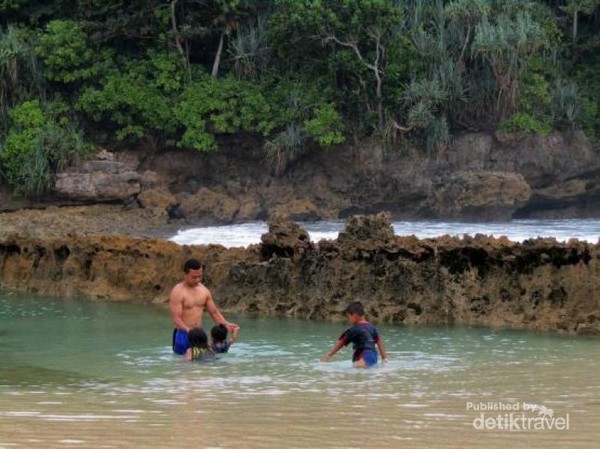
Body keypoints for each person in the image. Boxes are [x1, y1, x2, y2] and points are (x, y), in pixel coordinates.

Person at [170, 258, 239, 355]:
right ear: (185, 274)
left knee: (202, 364)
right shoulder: (178, 292)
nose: (197, 280)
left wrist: (226, 325)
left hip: (199, 335)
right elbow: (176, 318)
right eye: (194, 277)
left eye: (200, 276)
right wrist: (188, 330)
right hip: (183, 334)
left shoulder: (204, 291)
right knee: (183, 365)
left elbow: (214, 313)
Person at [321, 301, 389, 368]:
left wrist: (329, 355)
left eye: (348, 317)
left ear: (354, 316)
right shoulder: (372, 327)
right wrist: (384, 358)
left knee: (357, 371)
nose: (348, 320)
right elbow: (380, 342)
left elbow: (341, 343)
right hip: (374, 356)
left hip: (364, 356)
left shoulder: (353, 330)